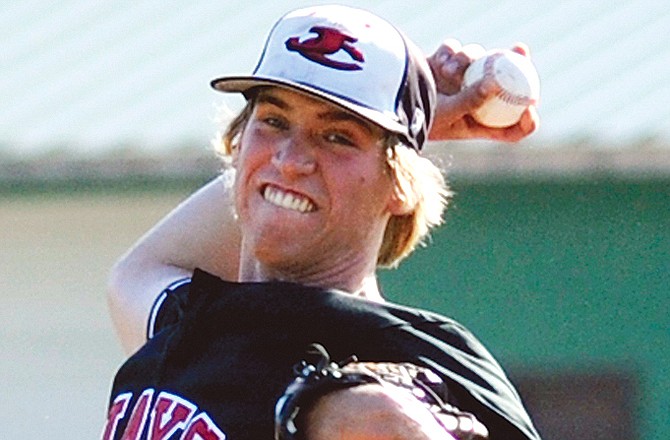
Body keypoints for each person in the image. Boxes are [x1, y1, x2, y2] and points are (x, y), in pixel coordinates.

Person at [102, 4, 540, 440]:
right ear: (237, 142)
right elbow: (135, 272)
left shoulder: (417, 364)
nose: (290, 161)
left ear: (402, 185)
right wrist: (422, 119)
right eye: (274, 121)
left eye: (337, 136)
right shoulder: (192, 328)